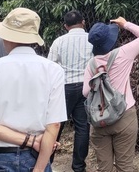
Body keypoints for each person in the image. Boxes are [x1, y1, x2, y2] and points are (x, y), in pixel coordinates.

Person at [0, 7, 66, 172]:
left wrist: (31, 140)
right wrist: (39, 168)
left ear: (6, 37)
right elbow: (54, 125)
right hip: (35, 157)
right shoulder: (53, 70)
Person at [82, 16, 139, 172]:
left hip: (99, 120)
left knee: (104, 168)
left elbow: (85, 92)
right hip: (124, 115)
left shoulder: (91, 64)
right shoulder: (123, 53)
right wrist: (125, 23)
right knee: (125, 167)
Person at [47, 10, 93, 172]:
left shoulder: (59, 42)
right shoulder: (92, 40)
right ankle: (79, 166)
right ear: (83, 22)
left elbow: (50, 66)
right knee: (82, 128)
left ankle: (47, 162)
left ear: (65, 26)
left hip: (64, 88)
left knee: (55, 125)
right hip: (86, 87)